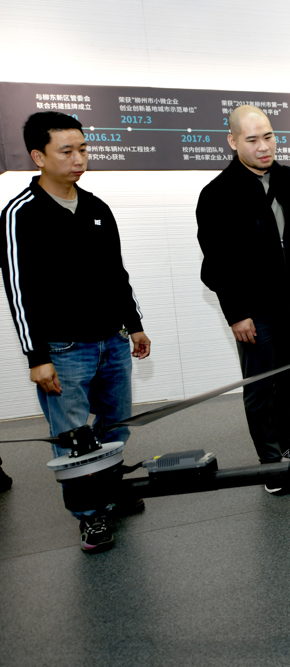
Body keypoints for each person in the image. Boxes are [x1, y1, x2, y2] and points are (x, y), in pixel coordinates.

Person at [1, 111, 151, 552]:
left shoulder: (97, 208)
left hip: (113, 341)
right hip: (63, 350)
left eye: (83, 149)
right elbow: (18, 292)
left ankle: (110, 493)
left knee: (115, 428)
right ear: (38, 156)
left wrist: (135, 326)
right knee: (75, 439)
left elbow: (116, 274)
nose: (78, 159)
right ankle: (90, 516)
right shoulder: (19, 215)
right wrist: (36, 357)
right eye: (66, 151)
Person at [197, 105, 290, 495]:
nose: (263, 146)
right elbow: (217, 262)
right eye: (252, 139)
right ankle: (270, 464)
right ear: (233, 141)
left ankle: (286, 441)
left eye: (268, 136)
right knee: (260, 387)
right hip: (253, 313)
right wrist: (237, 314)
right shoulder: (218, 194)